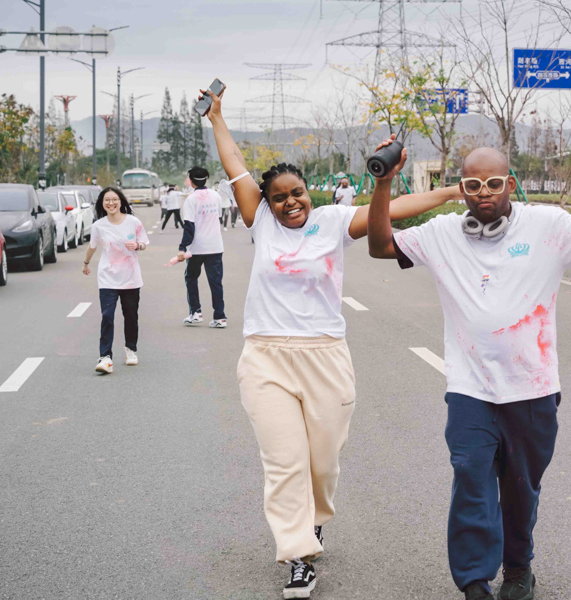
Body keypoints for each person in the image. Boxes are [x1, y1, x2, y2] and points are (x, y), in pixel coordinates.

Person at [201, 84, 462, 599]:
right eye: (279, 198)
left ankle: (312, 524)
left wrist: (451, 193)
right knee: (285, 462)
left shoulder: (333, 222)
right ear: (266, 204)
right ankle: (297, 554)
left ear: (309, 193)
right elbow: (235, 164)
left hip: (326, 357)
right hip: (267, 358)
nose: (290, 202)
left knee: (322, 463)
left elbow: (400, 206)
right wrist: (217, 118)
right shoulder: (261, 224)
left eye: (296, 193)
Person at [365, 138, 571, 600]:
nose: (483, 192)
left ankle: (518, 569)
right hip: (471, 389)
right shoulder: (443, 232)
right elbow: (381, 245)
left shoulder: (548, 225)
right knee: (471, 478)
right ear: (461, 189)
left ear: (510, 184)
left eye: (492, 183)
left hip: (533, 388)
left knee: (521, 489)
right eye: (472, 184)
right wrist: (383, 184)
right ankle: (473, 582)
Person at [82, 187, 149, 374]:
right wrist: (85, 263)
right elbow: (92, 247)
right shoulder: (98, 225)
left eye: (114, 200)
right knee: (107, 316)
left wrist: (137, 245)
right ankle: (105, 357)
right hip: (107, 278)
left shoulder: (133, 222)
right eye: (106, 200)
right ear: (102, 204)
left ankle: (131, 349)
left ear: (120, 201)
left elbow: (144, 243)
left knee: (131, 316)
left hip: (131, 278)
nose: (111, 203)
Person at [177, 166, 227, 328]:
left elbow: (189, 226)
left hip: (197, 248)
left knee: (191, 278)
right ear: (206, 179)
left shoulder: (191, 199)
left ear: (191, 181)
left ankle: (196, 312)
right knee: (216, 282)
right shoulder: (216, 195)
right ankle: (220, 317)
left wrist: (182, 248)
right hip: (215, 245)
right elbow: (218, 217)